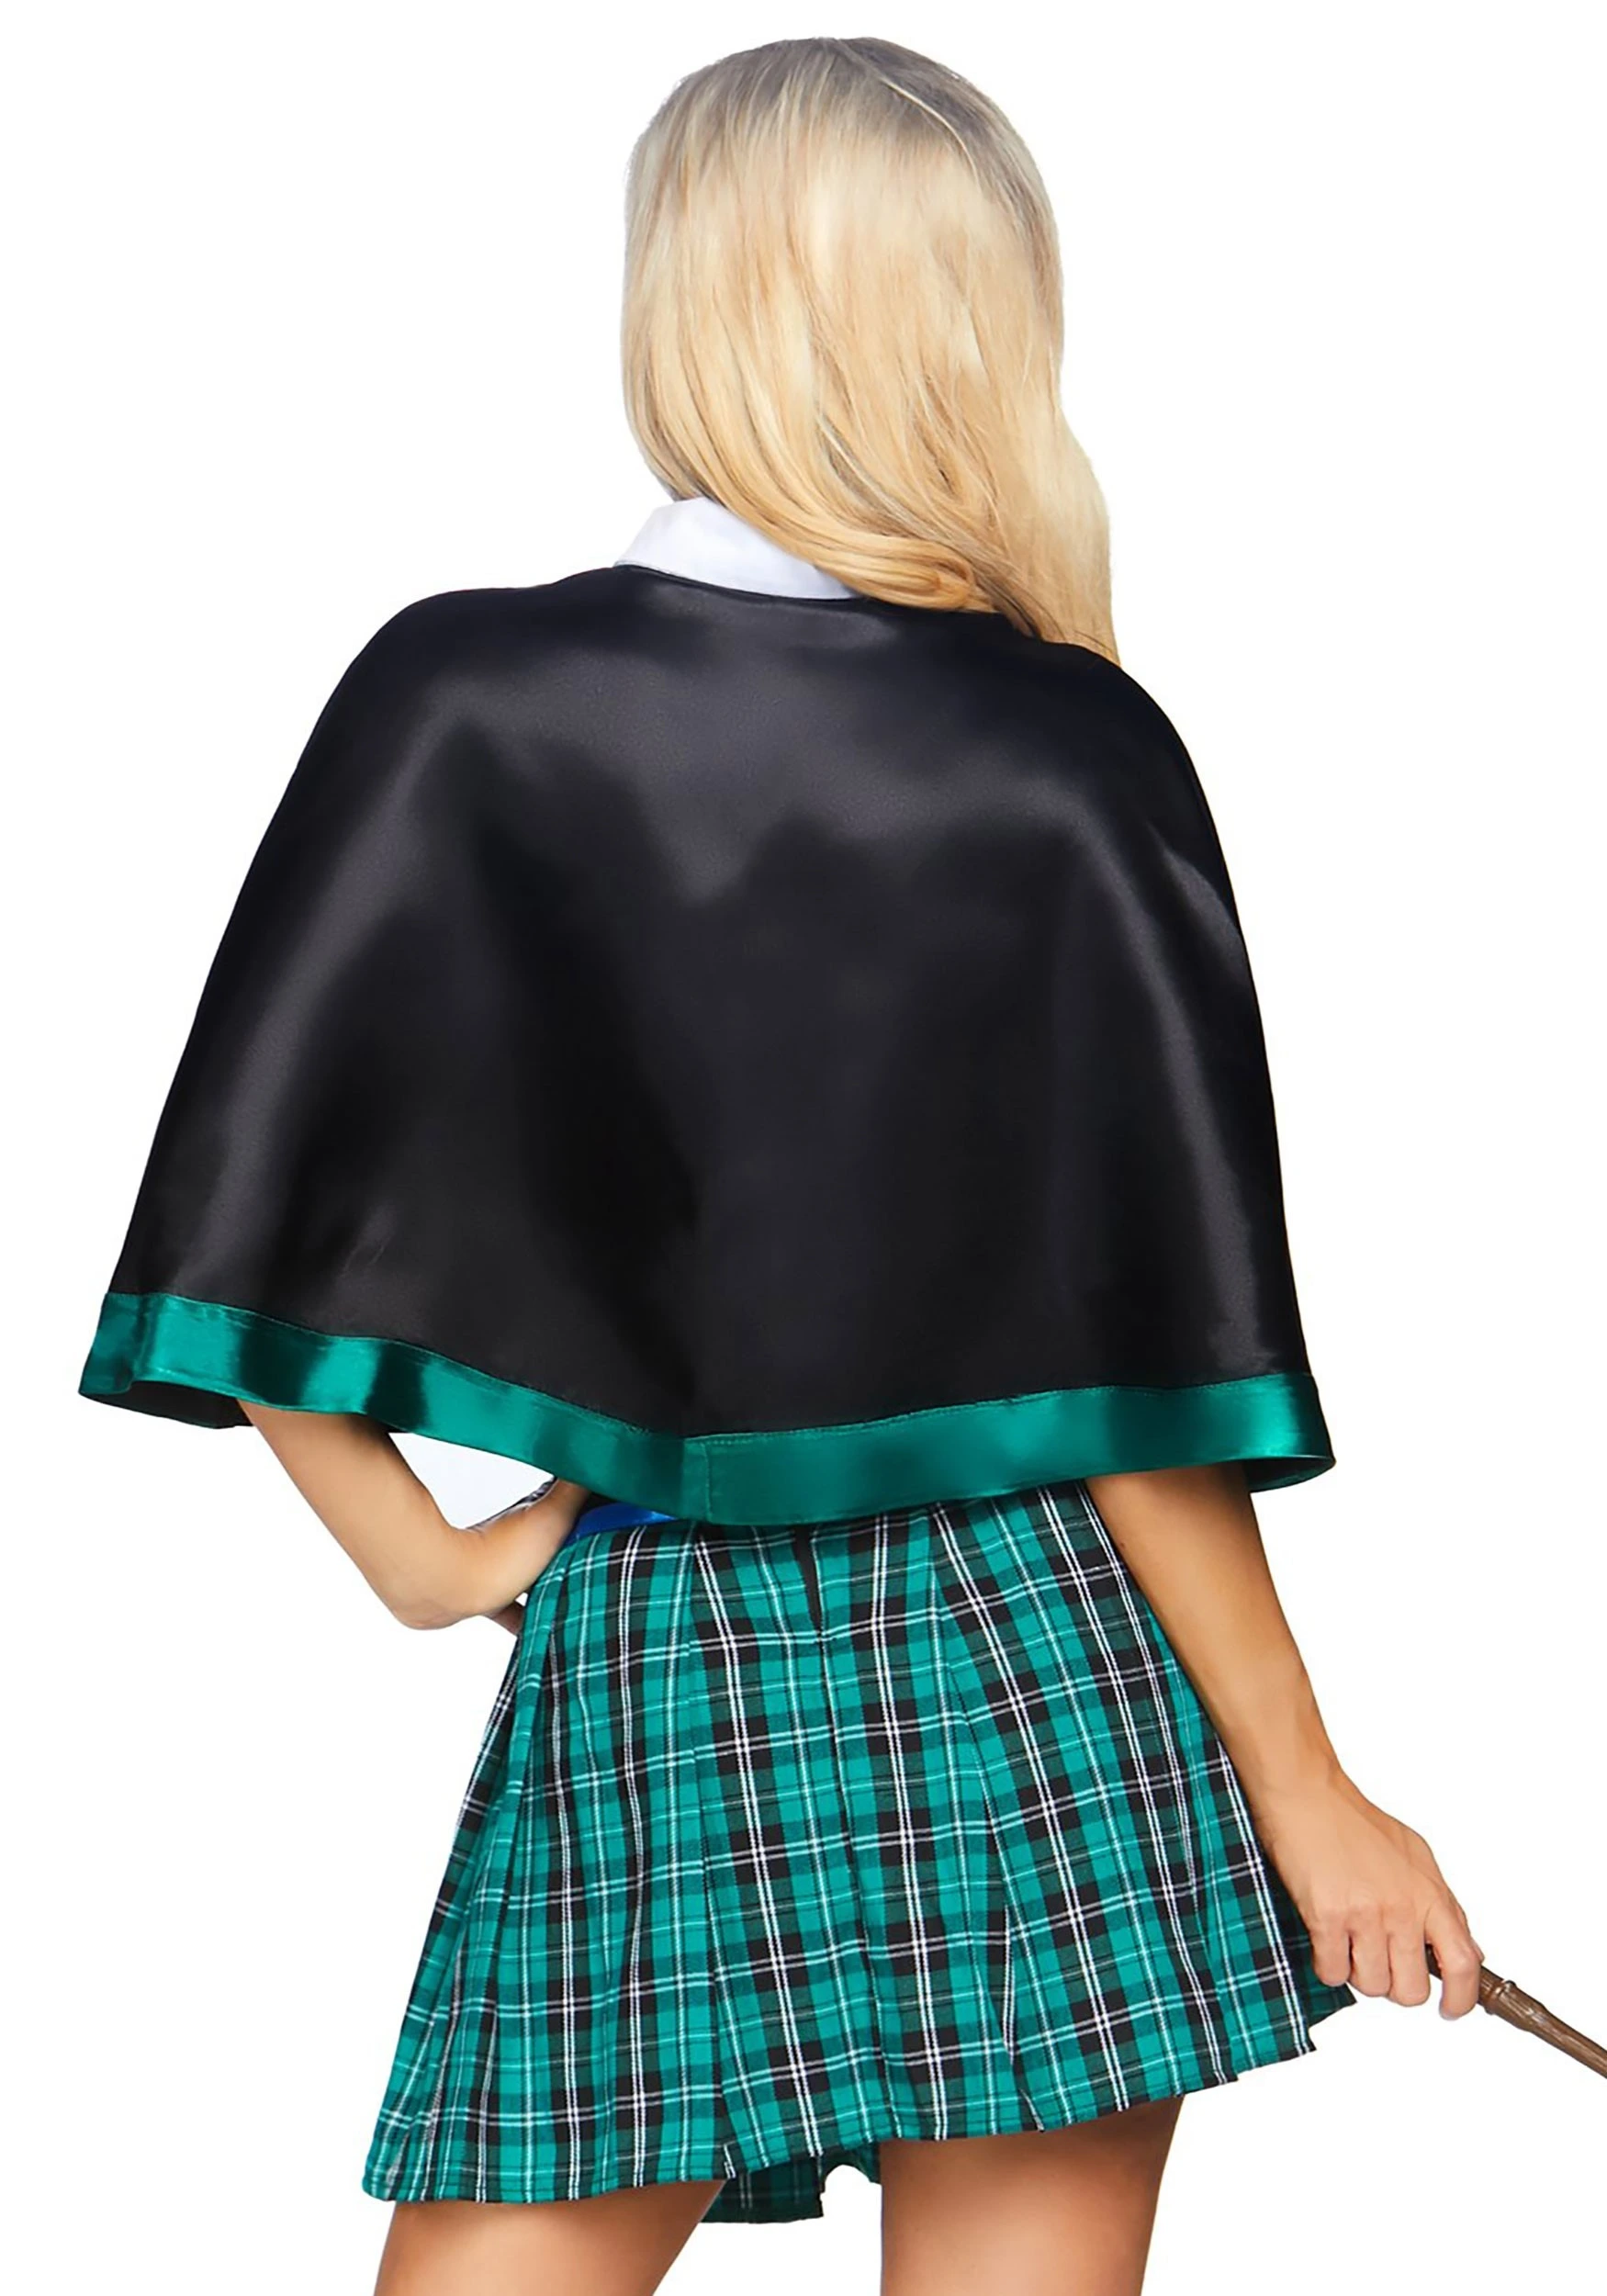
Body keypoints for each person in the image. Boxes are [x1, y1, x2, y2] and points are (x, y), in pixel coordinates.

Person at [76, 36, 1484, 2296]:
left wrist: (419, 1559)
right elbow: (1137, 1369)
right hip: (1027, 1650)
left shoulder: (459, 695)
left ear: (683, 293)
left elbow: (251, 1207)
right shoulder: (1065, 742)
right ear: (980, 319)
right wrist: (1306, 1785)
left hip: (653, 1629)